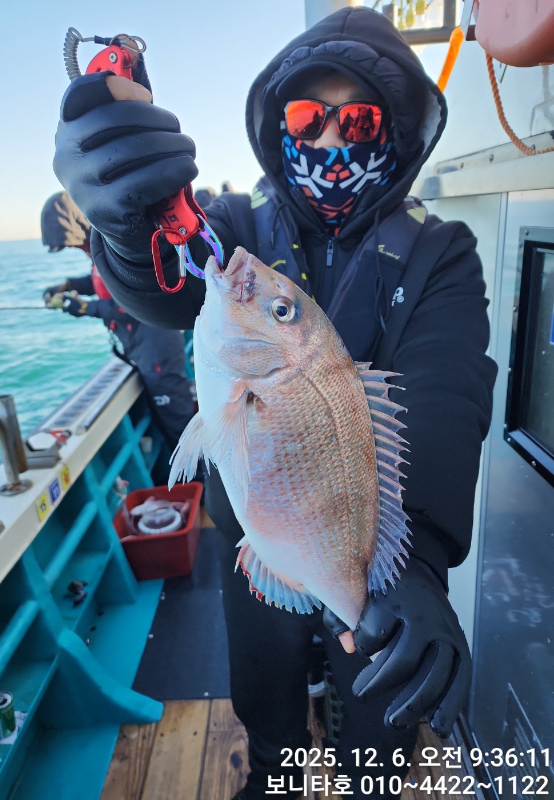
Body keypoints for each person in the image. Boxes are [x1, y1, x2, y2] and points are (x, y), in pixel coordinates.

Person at [52, 8, 497, 799]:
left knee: (380, 728)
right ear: (277, 126)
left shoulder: (441, 251)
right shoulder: (231, 230)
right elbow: (163, 284)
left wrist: (420, 558)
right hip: (254, 533)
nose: (330, 139)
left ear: (393, 132)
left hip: (373, 549)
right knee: (265, 696)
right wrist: (123, 230)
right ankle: (272, 778)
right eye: (305, 117)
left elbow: (447, 390)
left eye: (358, 121)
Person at [40, 191, 195, 456]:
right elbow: (107, 283)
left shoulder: (119, 247)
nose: (74, 249)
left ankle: (202, 476)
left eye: (71, 244)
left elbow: (132, 303)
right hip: (139, 348)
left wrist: (84, 308)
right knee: (165, 424)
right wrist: (69, 285)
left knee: (178, 423)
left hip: (156, 349)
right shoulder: (99, 250)